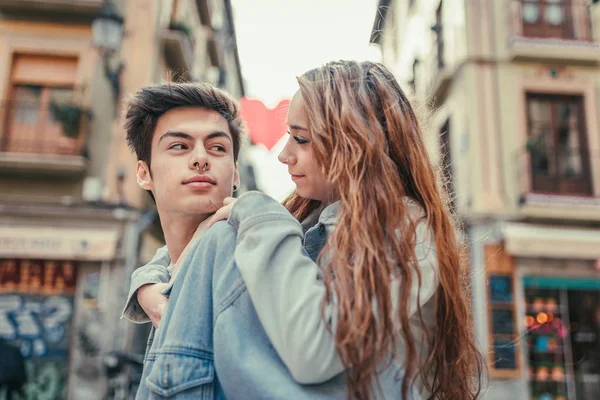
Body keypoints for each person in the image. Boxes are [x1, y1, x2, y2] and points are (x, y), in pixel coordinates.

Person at [125, 61, 484, 399]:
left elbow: (315, 349)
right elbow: (196, 253)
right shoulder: (315, 223)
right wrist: (148, 282)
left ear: (355, 143)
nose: (284, 155)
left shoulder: (402, 230)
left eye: (302, 139)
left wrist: (257, 209)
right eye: (179, 146)